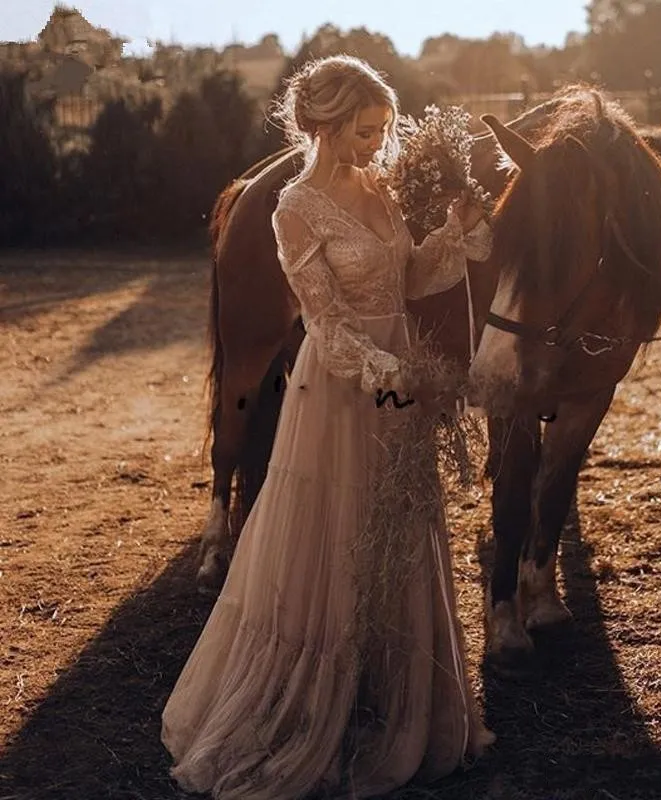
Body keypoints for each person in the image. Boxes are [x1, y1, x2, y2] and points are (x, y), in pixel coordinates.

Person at [161, 53, 494, 800]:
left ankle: (395, 693)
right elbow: (325, 320)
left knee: (402, 531)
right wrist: (383, 370)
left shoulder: (378, 186)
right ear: (325, 125)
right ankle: (323, 706)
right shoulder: (293, 208)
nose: (378, 145)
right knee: (338, 532)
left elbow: (408, 279)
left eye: (383, 129)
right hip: (344, 386)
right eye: (365, 131)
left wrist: (452, 234)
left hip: (398, 372)